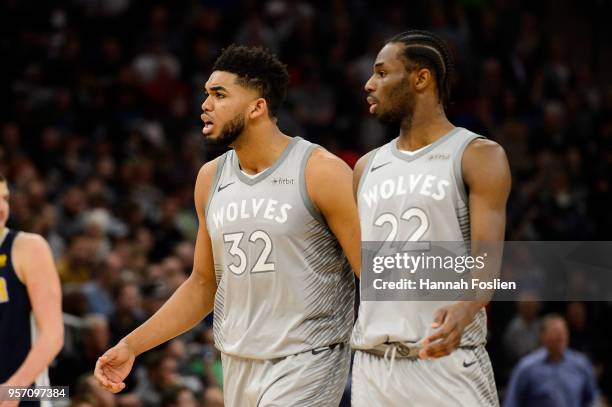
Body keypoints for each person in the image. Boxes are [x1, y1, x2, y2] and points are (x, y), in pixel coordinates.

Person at [94, 45, 360, 406]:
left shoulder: (320, 170)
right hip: (237, 363)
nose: (205, 104)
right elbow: (203, 285)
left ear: (257, 107)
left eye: (219, 94)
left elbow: (372, 268)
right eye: (206, 94)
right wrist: (131, 345)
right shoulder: (210, 178)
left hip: (309, 359)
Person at [350, 30, 511, 406]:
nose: (369, 84)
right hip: (374, 368)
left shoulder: (477, 155)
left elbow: (486, 266)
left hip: (447, 364)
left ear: (421, 78)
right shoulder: (365, 167)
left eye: (382, 73)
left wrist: (466, 305)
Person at [0, 173, 64, 407]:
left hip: (25, 396)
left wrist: (11, 392)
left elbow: (53, 335)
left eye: (5, 198)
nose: (1, 208)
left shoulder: (27, 248)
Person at [503, 314, 599, 407]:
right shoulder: (526, 367)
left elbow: (592, 400)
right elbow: (512, 402)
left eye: (563, 332)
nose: (560, 336)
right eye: (555, 332)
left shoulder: (581, 364)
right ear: (543, 336)